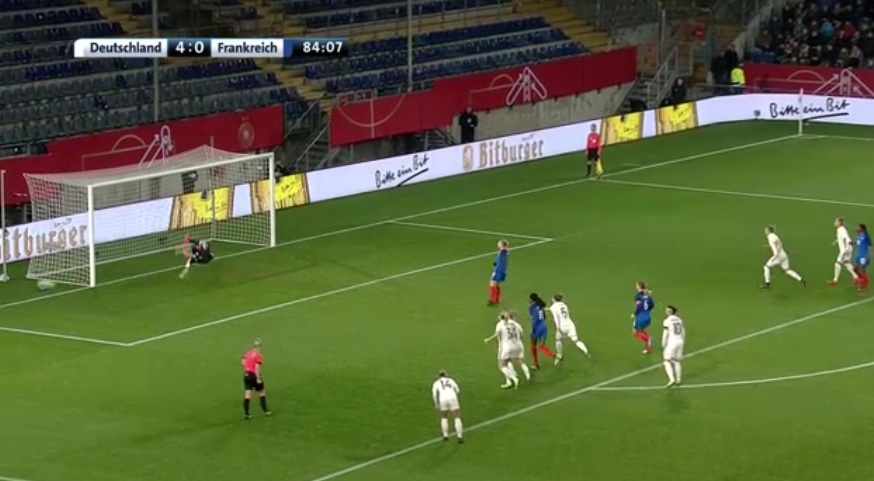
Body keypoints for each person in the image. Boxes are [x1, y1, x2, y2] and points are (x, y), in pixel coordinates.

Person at [483, 310, 530, 389]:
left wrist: (488, 339)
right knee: (512, 361)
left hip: (505, 346)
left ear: (500, 317)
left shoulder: (500, 324)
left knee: (501, 365)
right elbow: (522, 334)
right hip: (517, 344)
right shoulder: (515, 323)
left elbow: (497, 334)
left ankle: (514, 378)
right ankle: (511, 380)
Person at [548, 294, 590, 364]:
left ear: (554, 299)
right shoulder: (564, 305)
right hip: (570, 325)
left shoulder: (553, 307)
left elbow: (556, 318)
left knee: (558, 340)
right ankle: (586, 351)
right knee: (576, 340)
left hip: (562, 326)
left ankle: (560, 355)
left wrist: (558, 328)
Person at [241, 339, 273, 420]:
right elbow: (257, 367)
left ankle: (246, 414)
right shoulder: (258, 355)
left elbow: (243, 362)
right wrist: (258, 378)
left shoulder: (248, 352)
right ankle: (265, 411)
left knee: (247, 394)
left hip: (247, 374)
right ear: (258, 347)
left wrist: (246, 369)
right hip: (254, 375)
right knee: (261, 392)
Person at [431, 370, 464, 443]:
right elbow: (458, 390)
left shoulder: (436, 383)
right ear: (446, 375)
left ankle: (445, 435)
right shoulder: (451, 380)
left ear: (439, 376)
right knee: (457, 417)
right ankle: (459, 436)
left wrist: (436, 404)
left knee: (444, 417)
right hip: (452, 398)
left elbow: (434, 394)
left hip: (442, 399)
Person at [528, 293, 555, 369]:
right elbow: (544, 317)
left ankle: (536, 364)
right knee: (542, 346)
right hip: (544, 326)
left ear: (531, 299)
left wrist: (533, 329)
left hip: (537, 327)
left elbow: (534, 319)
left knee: (533, 346)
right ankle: (553, 356)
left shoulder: (531, 307)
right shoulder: (540, 305)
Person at [828, 217, 858, 286]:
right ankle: (856, 278)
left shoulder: (841, 230)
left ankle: (835, 280)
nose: (835, 223)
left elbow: (845, 239)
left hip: (845, 250)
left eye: (836, 221)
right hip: (848, 248)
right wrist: (837, 240)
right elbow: (844, 237)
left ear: (839, 223)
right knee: (846, 263)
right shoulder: (841, 229)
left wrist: (845, 250)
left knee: (837, 263)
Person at [661, 306, 685, 388]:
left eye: (667, 310)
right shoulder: (679, 320)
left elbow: (665, 334)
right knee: (676, 361)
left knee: (666, 361)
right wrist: (682, 341)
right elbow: (683, 331)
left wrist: (663, 344)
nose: (665, 312)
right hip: (680, 341)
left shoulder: (667, 321)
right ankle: (678, 380)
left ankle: (671, 379)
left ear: (670, 312)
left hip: (672, 342)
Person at [631, 282, 655, 354]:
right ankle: (648, 349)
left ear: (639, 286)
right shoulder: (648, 296)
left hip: (641, 317)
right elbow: (652, 305)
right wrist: (646, 310)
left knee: (635, 332)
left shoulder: (638, 296)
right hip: (648, 316)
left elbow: (638, 306)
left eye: (637, 285)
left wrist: (634, 313)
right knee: (643, 331)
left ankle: (647, 339)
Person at [487, 239, 509, 306]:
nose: (498, 244)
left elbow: (504, 254)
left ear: (502, 245)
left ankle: (492, 300)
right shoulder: (504, 252)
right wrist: (496, 263)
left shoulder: (503, 251)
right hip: (501, 270)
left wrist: (504, 247)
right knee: (496, 284)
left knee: (492, 284)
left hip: (499, 270)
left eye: (499, 243)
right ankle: (496, 299)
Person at [855, 223, 871, 291]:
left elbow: (870, 245)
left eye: (858, 227)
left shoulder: (866, 236)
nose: (856, 228)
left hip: (863, 256)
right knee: (855, 269)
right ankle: (862, 279)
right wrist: (852, 243)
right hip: (858, 255)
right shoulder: (858, 235)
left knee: (862, 270)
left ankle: (864, 285)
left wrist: (869, 255)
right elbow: (858, 243)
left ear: (861, 229)